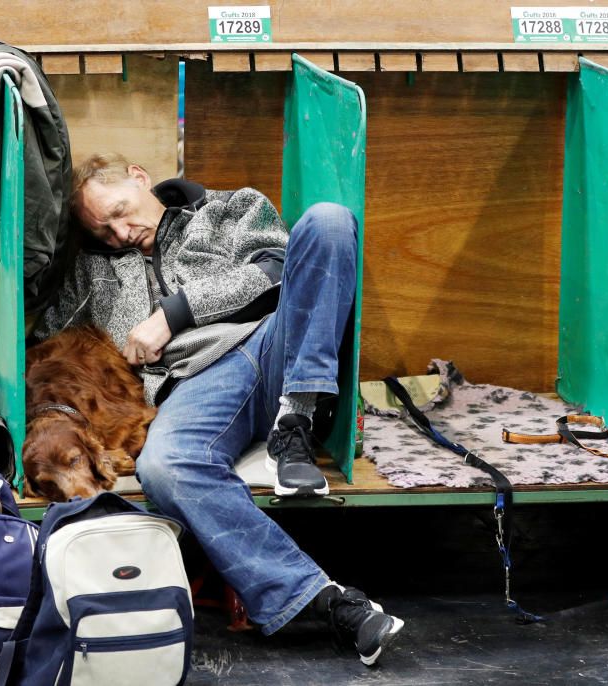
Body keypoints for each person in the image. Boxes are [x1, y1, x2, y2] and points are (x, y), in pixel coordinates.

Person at [32, 153, 404, 665]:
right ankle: (323, 602)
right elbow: (46, 335)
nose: (121, 232)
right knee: (164, 466)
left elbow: (277, 268)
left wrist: (172, 314)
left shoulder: (230, 209)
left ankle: (294, 419)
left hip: (273, 346)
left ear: (140, 178)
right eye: (105, 229)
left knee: (328, 220)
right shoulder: (92, 268)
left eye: (121, 211)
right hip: (193, 385)